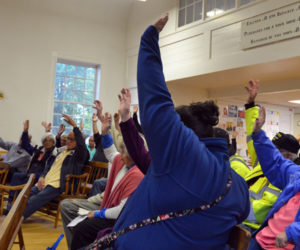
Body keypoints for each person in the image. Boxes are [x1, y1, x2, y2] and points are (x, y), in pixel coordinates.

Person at [109, 15, 249, 249]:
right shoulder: (238, 186)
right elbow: (143, 156)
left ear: (182, 135)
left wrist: (148, 41)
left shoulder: (183, 158)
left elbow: (157, 103)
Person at [60, 106, 144, 250]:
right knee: (67, 206)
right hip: (107, 206)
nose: (120, 155)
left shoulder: (137, 174)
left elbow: (121, 210)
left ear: (134, 154)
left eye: (124, 152)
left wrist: (98, 213)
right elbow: (111, 151)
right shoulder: (122, 162)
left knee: (83, 227)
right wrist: (104, 132)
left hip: (119, 218)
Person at [243, 80, 299, 233]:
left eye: (275, 150)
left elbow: (262, 210)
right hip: (239, 218)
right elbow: (252, 137)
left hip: (253, 227)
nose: (269, 151)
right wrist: (250, 105)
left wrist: (233, 208)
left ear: (288, 156)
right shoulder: (262, 162)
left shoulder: (288, 179)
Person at [248, 106, 300, 250]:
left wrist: (291, 233)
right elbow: (275, 163)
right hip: (262, 238)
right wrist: (258, 133)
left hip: (283, 244)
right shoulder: (297, 175)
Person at [23, 114, 89, 219]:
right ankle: (9, 214)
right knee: (25, 195)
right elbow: (48, 165)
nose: (69, 141)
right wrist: (42, 177)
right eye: (68, 139)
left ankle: (16, 219)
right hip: (46, 181)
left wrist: (75, 126)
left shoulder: (79, 155)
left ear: (78, 141)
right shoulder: (62, 152)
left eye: (73, 139)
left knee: (35, 199)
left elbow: (82, 145)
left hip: (58, 184)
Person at [7, 121, 57, 211]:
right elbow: (26, 144)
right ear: (43, 142)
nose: (48, 142)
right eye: (46, 141)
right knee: (16, 175)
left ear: (53, 143)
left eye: (50, 141)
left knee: (29, 179)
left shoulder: (54, 153)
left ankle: (20, 204)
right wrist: (25, 131)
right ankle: (11, 200)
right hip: (30, 173)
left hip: (41, 176)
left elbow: (49, 169)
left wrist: (48, 131)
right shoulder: (39, 150)